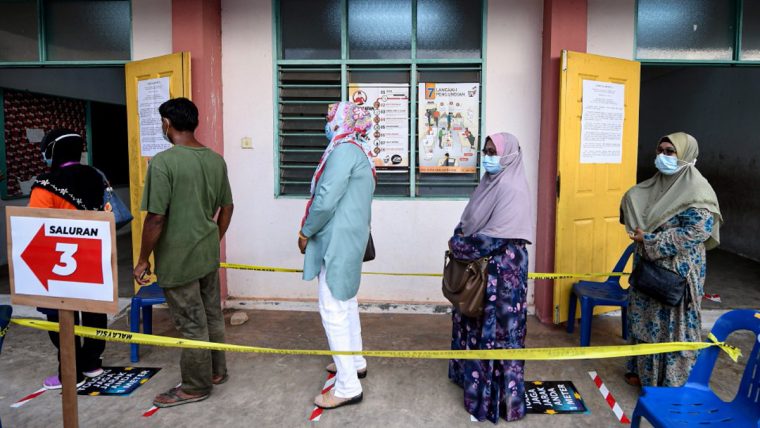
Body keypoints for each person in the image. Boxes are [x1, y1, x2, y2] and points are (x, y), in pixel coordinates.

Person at [133, 98, 234, 407]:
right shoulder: (216, 160)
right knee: (211, 314)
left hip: (178, 258)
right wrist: (213, 238)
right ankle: (216, 371)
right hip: (206, 253)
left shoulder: (164, 162)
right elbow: (227, 207)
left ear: (167, 124)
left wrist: (142, 260)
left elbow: (156, 218)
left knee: (191, 322)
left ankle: (194, 386)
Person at [620, 132, 722, 387]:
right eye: (660, 150)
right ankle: (643, 373)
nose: (663, 156)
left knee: (672, 325)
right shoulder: (654, 185)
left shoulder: (698, 191)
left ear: (686, 156)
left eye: (670, 152)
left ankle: (670, 382)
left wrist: (651, 240)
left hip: (678, 271)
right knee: (643, 318)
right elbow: (634, 203)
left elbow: (698, 231)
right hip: (649, 269)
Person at [448, 132, 534, 423]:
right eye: (485, 151)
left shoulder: (511, 189)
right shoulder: (488, 183)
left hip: (502, 275)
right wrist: (460, 235)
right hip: (483, 271)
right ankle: (473, 383)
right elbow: (468, 222)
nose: (488, 157)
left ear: (510, 155)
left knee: (496, 333)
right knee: (473, 320)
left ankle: (494, 399)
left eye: (493, 152)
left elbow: (490, 240)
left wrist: (457, 243)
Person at [299, 101, 374, 409]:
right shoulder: (359, 151)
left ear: (342, 121)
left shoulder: (343, 151)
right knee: (346, 301)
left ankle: (346, 386)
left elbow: (326, 198)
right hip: (350, 238)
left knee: (332, 307)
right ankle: (355, 361)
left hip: (336, 241)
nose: (327, 124)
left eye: (330, 119)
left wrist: (306, 231)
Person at [29, 129, 107, 389]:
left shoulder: (46, 183)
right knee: (94, 310)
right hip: (93, 254)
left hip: (59, 261)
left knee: (61, 314)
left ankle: (69, 372)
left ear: (52, 151)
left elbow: (35, 225)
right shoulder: (96, 176)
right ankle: (92, 362)